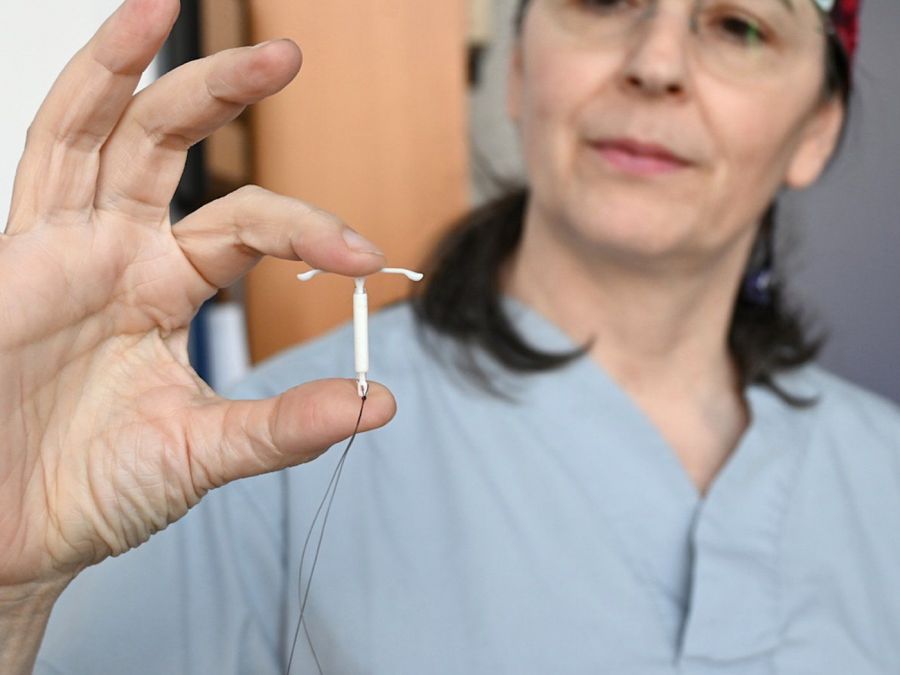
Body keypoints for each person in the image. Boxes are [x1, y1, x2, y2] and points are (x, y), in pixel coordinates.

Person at [3, 0, 899, 672]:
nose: (656, 62)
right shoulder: (240, 457)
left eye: (740, 25)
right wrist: (13, 599)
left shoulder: (883, 475)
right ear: (519, 68)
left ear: (817, 129)